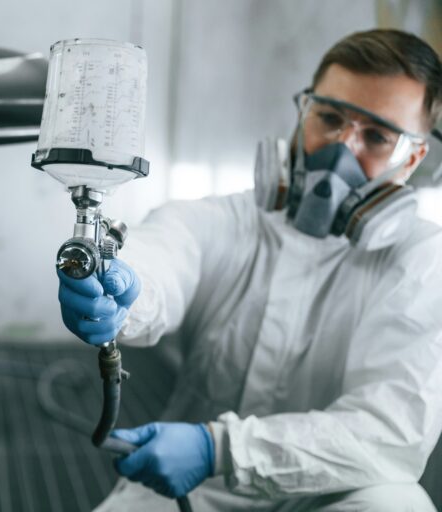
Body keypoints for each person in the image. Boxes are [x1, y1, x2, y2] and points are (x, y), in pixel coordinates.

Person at [57, 29, 442, 511]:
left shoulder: (423, 259)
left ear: (414, 158)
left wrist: (219, 449)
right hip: (189, 486)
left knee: (398, 505)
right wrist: (123, 296)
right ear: (303, 110)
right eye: (329, 118)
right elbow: (165, 255)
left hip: (328, 491)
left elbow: (390, 431)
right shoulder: (226, 222)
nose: (342, 149)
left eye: (378, 137)